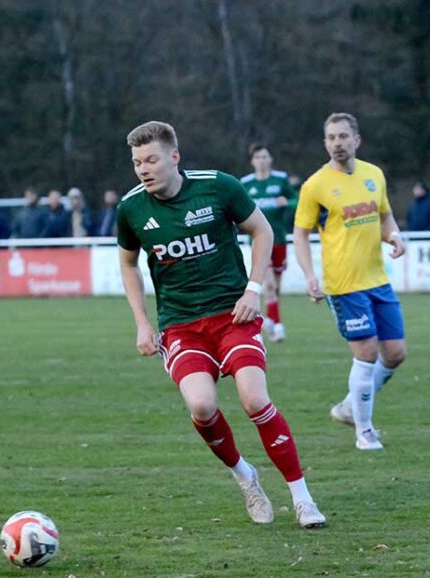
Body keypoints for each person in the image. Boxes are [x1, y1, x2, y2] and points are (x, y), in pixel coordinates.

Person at [116, 120, 326, 529]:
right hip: (180, 324)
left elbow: (262, 230)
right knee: (201, 405)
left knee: (254, 399)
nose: (143, 169)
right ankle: (245, 476)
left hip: (233, 315)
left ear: (174, 157)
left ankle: (303, 498)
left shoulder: (218, 186)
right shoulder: (131, 208)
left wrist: (253, 290)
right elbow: (128, 264)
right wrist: (142, 323)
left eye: (151, 160)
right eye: (137, 162)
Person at [292, 112, 407, 451]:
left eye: (343, 136)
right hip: (343, 285)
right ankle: (364, 431)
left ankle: (347, 407)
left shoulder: (374, 174)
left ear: (356, 140)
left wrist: (395, 235)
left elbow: (384, 216)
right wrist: (310, 275)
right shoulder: (315, 185)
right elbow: (300, 234)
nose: (337, 143)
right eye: (331, 138)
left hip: (377, 280)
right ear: (325, 143)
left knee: (395, 354)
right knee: (367, 353)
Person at [240, 143, 297, 343]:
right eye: (258, 157)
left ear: (270, 159)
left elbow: (298, 201)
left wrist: (287, 203)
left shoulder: (280, 180)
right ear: (252, 161)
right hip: (258, 240)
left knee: (276, 287)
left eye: (264, 156)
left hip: (279, 239)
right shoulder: (246, 184)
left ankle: (269, 321)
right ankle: (277, 325)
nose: (261, 161)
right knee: (270, 284)